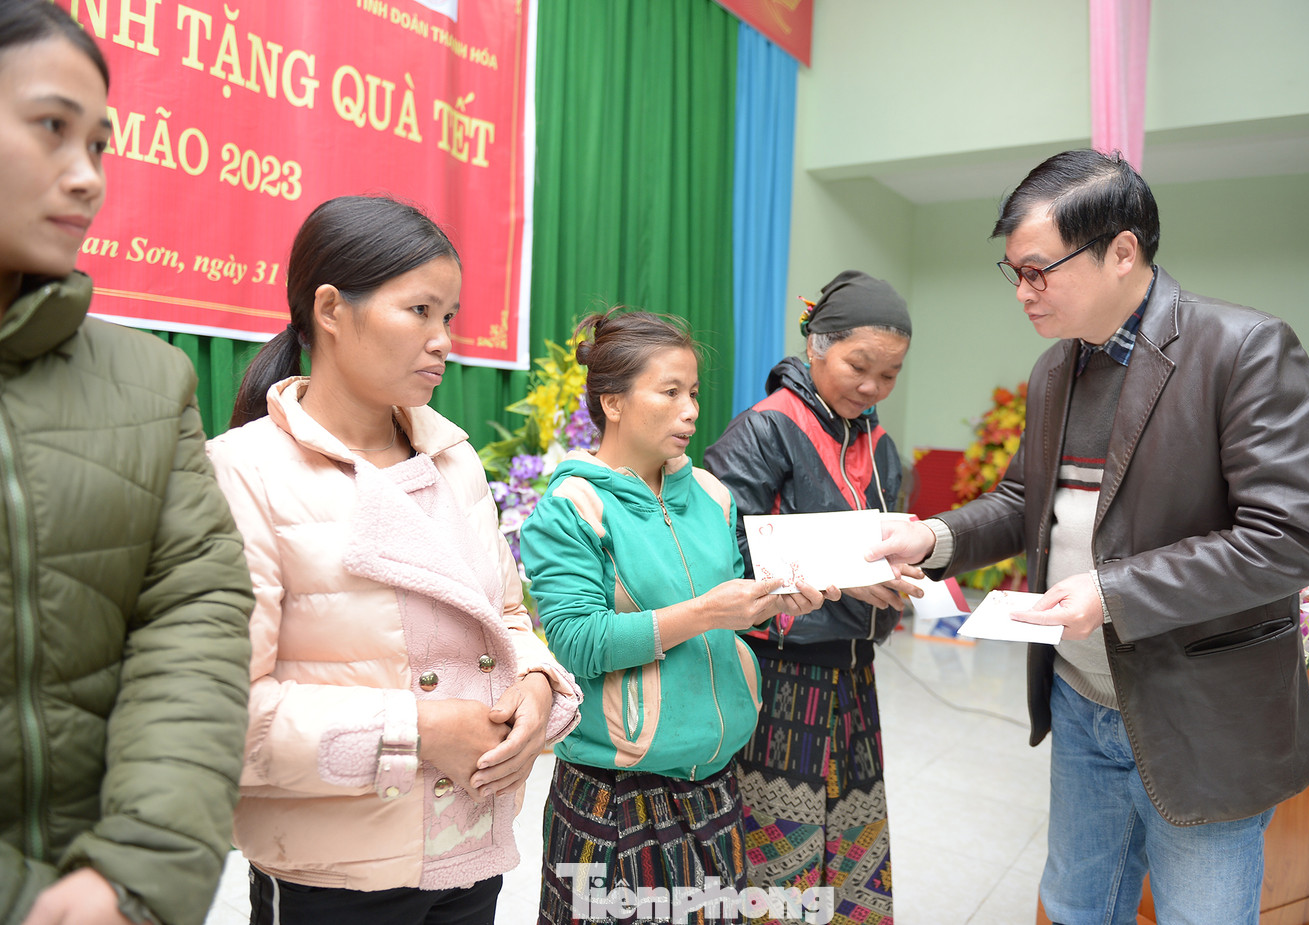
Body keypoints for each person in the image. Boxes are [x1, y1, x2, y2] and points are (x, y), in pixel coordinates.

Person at [869, 150, 1309, 925]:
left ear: (1123, 251)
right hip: (1081, 694)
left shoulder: (1243, 349)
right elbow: (1027, 499)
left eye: (1039, 270)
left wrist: (1113, 592)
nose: (1023, 292)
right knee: (1077, 905)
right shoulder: (1057, 369)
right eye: (1013, 271)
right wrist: (932, 536)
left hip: (1198, 713)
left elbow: (1291, 536)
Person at [208, 195, 581, 925]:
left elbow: (505, 614)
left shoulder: (455, 458)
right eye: (420, 311)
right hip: (335, 875)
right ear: (330, 309)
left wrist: (535, 681)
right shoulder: (242, 472)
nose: (444, 340)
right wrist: (423, 728)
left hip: (470, 850)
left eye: (450, 316)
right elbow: (228, 714)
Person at [0, 3, 255, 923]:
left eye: (99, 144)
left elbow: (196, 608)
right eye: (51, 128)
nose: (87, 179)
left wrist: (133, 872)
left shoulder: (149, 379)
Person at [520, 310, 834, 924]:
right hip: (615, 795)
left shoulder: (713, 497)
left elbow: (729, 617)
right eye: (669, 392)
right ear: (612, 401)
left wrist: (772, 602)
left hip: (713, 783)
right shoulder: (572, 508)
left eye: (693, 393)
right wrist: (702, 612)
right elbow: (578, 643)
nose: (691, 410)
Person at [703, 270, 917, 922]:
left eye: (889, 374)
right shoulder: (767, 429)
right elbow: (718, 548)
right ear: (818, 344)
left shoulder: (880, 446)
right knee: (779, 849)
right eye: (860, 365)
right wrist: (847, 571)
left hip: (852, 676)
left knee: (849, 844)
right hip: (780, 678)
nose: (873, 387)